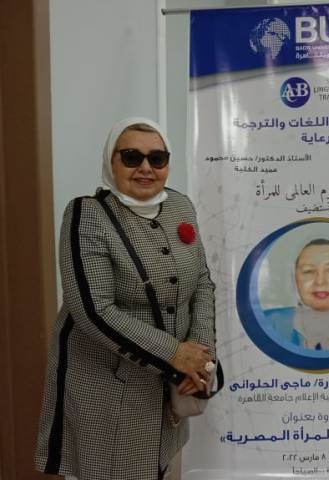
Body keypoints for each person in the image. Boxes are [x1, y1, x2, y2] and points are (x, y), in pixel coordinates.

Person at [36, 117, 217, 480]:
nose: (146, 168)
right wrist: (175, 355)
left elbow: (201, 282)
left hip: (171, 383)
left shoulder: (180, 206)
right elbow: (94, 310)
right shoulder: (87, 216)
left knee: (158, 467)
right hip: (108, 388)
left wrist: (200, 357)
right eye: (132, 157)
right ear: (112, 161)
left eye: (157, 158)